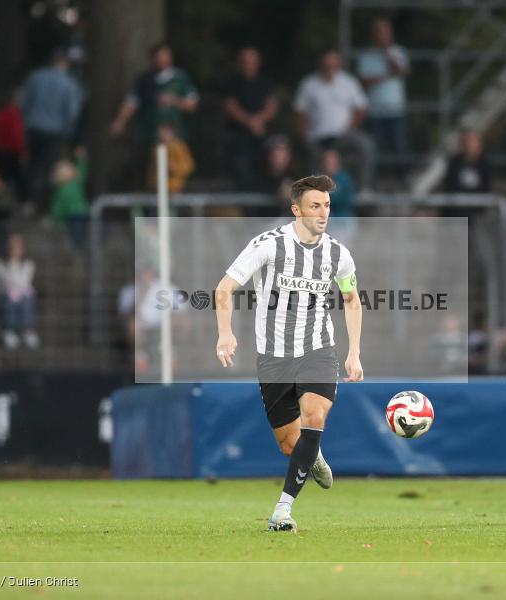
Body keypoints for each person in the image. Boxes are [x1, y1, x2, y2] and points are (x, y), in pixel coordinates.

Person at [214, 175, 364, 532]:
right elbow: (224, 289)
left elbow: (351, 299)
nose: (323, 212)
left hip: (319, 349)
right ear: (296, 209)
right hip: (274, 356)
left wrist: (354, 352)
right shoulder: (268, 245)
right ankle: (312, 455)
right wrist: (225, 334)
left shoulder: (338, 254)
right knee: (289, 444)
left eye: (327, 205)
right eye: (315, 205)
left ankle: (282, 510)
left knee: (314, 414)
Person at [110, 43, 199, 186]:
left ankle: (176, 204)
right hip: (149, 136)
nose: (162, 62)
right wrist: (120, 122)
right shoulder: (144, 80)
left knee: (178, 171)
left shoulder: (181, 78)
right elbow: (131, 102)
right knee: (149, 173)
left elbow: (193, 104)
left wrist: (173, 100)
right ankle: (150, 205)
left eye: (165, 57)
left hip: (176, 139)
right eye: (159, 58)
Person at [294, 51, 374, 191]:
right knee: (308, 153)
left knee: (365, 145)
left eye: (332, 65)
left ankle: (364, 188)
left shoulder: (348, 82)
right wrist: (305, 134)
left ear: (338, 65)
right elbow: (299, 112)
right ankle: (312, 193)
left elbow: (362, 108)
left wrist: (350, 127)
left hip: (343, 136)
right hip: (317, 137)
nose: (329, 68)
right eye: (326, 64)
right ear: (321, 65)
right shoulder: (308, 84)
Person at [21, 49, 83, 208]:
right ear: (66, 64)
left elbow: (24, 102)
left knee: (33, 166)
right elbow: (72, 111)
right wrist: (70, 133)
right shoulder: (69, 82)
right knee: (52, 169)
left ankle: (30, 201)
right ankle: (47, 206)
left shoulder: (35, 77)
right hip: (55, 132)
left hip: (33, 128)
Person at [357, 18, 410, 179]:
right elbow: (364, 81)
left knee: (400, 148)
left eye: (386, 33)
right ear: (375, 35)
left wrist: (387, 54)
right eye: (380, 33)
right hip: (375, 111)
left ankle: (403, 180)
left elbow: (402, 71)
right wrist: (386, 76)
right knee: (374, 151)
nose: (384, 36)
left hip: (396, 110)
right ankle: (373, 183)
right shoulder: (366, 55)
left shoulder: (399, 52)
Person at [223, 47, 279, 191]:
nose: (248, 64)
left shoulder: (266, 83)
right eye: (245, 61)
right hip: (239, 139)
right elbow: (230, 106)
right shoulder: (232, 83)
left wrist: (259, 120)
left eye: (251, 61)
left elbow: (272, 106)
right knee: (243, 174)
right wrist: (250, 122)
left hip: (262, 137)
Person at [0, 233, 39, 350]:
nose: (14, 250)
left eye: (17, 247)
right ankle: (9, 331)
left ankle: (27, 331)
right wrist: (12, 263)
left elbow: (23, 281)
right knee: (10, 299)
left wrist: (16, 285)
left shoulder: (29, 264)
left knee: (26, 300)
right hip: (4, 295)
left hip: (23, 295)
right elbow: (7, 281)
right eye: (11, 247)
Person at [0, 89, 26, 197]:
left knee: (2, 179)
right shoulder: (16, 116)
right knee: (17, 180)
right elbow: (17, 136)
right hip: (13, 153)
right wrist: (22, 151)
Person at [51, 147, 90, 247]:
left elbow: (82, 170)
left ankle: (80, 244)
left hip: (81, 213)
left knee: (81, 234)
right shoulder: (63, 188)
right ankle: (78, 245)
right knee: (77, 235)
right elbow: (58, 205)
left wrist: (81, 159)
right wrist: (57, 217)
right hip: (74, 215)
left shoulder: (75, 182)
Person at [147, 123, 194, 193]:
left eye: (165, 132)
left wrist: (174, 167)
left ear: (172, 133)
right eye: (160, 131)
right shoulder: (156, 148)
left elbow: (188, 167)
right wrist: (151, 183)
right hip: (157, 188)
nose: (161, 134)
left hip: (175, 188)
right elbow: (151, 169)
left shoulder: (179, 147)